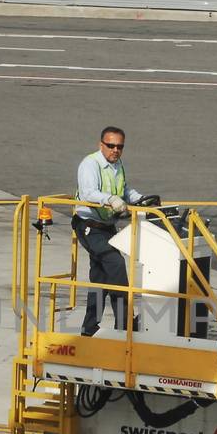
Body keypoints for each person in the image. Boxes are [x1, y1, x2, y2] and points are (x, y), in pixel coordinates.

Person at [73, 126, 142, 336]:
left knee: (100, 276)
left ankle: (89, 328)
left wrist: (138, 198)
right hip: (88, 225)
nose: (115, 150)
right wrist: (110, 199)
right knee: (116, 264)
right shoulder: (90, 164)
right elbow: (89, 192)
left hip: (107, 226)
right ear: (100, 144)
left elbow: (123, 188)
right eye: (111, 145)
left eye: (119, 146)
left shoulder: (117, 164)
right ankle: (125, 323)